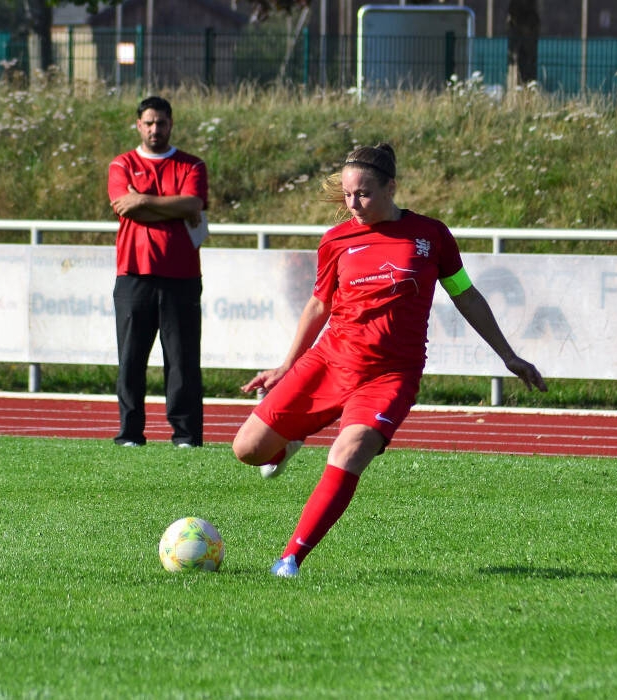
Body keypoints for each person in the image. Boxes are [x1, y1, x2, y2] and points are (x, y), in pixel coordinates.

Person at [232, 142, 547, 577]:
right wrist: (287, 365)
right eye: (347, 195)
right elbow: (319, 304)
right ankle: (290, 442)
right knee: (247, 450)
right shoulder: (335, 240)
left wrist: (508, 355)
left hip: (390, 375)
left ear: (391, 187)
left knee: (350, 451)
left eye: (363, 194)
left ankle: (290, 560)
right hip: (330, 361)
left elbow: (466, 295)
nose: (353, 204)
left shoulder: (431, 236)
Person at [108, 96, 208, 448]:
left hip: (182, 275)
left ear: (171, 124)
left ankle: (186, 436)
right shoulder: (122, 164)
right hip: (133, 274)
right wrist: (173, 208)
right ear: (138, 125)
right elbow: (125, 208)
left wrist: (143, 200)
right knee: (131, 359)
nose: (155, 129)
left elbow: (193, 203)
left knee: (182, 360)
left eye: (161, 123)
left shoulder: (192, 165)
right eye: (148, 123)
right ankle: (130, 434)